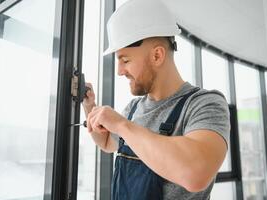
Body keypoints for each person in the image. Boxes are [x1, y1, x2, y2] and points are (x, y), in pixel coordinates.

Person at [82, 0, 230, 199]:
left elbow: (196, 173)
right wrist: (89, 106)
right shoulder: (133, 109)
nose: (119, 71)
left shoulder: (204, 104)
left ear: (157, 55)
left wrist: (122, 125)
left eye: (125, 60)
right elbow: (108, 142)